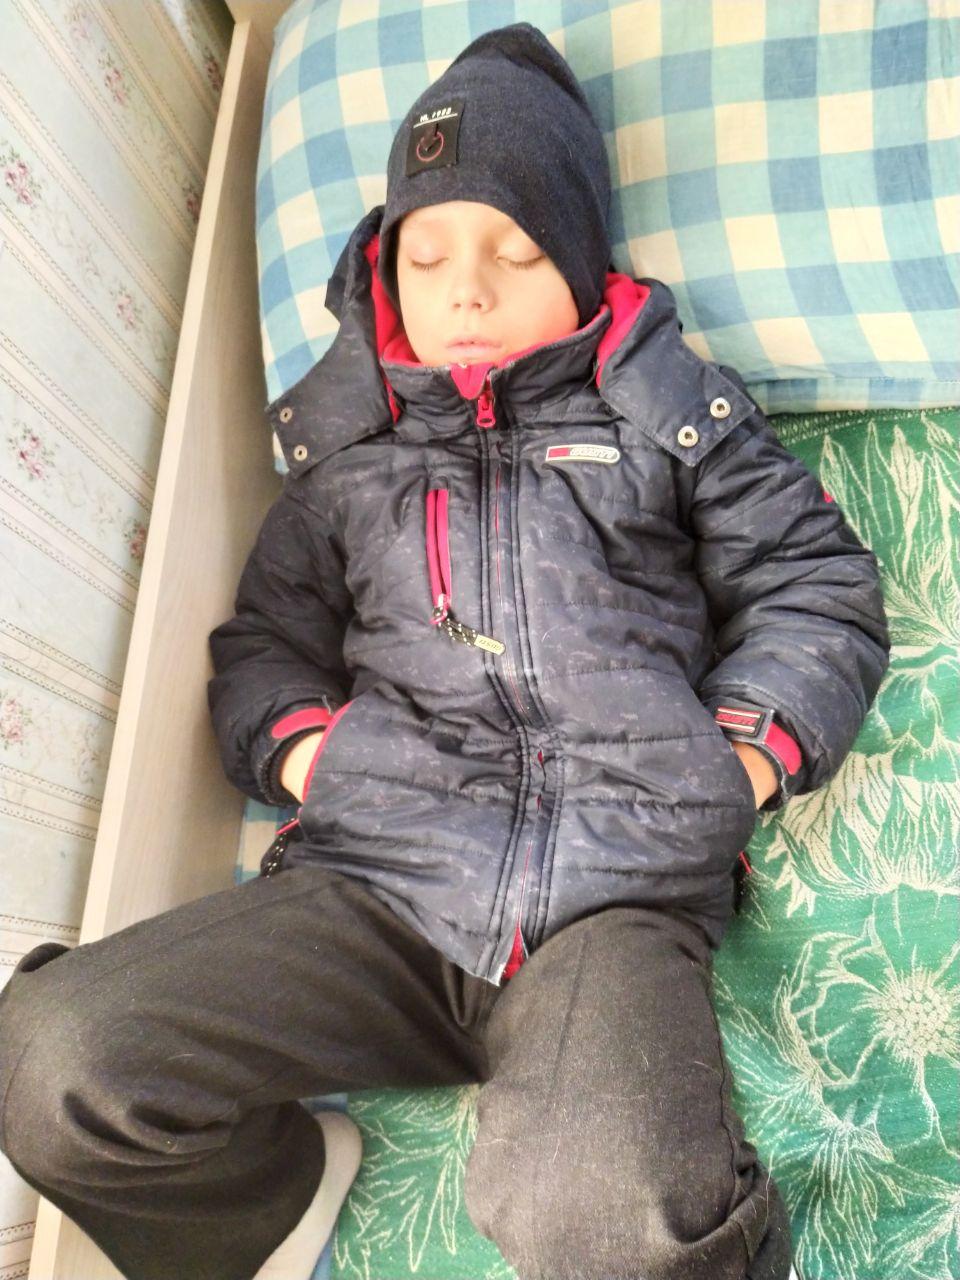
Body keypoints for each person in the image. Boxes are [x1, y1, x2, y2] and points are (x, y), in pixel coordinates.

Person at [0, 22, 889, 1280]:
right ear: (387, 267)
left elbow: (817, 584)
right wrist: (315, 760)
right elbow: (265, 646)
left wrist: (740, 759)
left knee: (607, 1214)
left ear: (580, 265)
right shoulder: (343, 456)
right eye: (428, 253)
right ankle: (272, 1203)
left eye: (515, 250)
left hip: (613, 896)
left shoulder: (671, 414)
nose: (466, 288)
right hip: (375, 879)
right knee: (53, 1059)